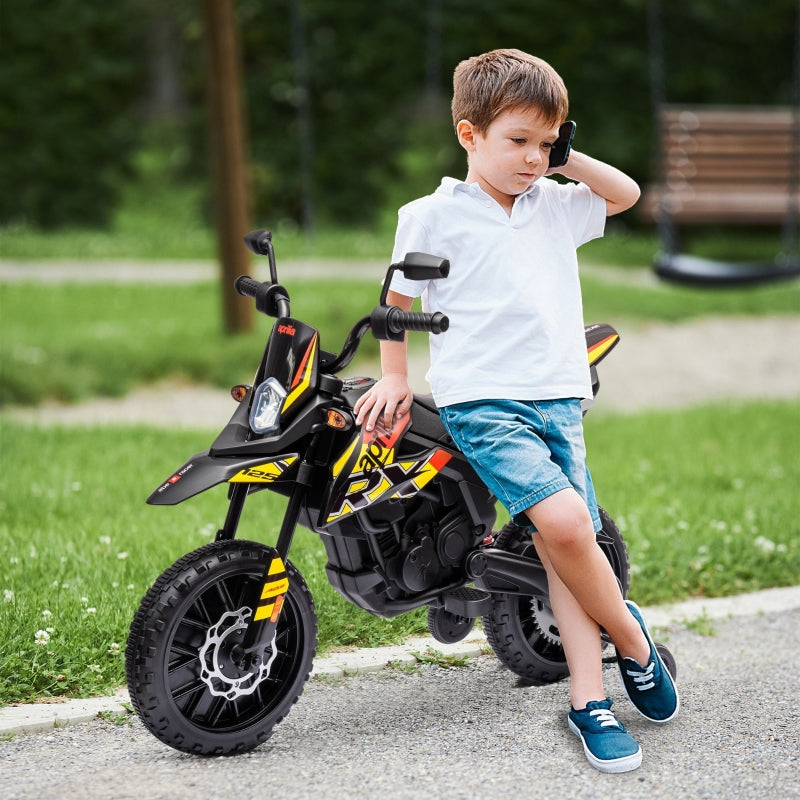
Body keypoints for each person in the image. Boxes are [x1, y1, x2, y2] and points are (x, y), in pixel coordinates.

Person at [354, 48, 678, 773]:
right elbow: (395, 306)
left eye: (546, 143)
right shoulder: (431, 215)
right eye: (518, 142)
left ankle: (588, 702)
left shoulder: (556, 205)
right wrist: (396, 377)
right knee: (565, 524)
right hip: (484, 400)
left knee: (565, 547)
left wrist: (569, 159)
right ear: (470, 135)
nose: (534, 159)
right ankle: (632, 642)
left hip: (559, 395)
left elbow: (625, 193)